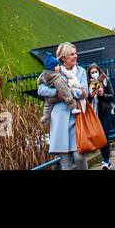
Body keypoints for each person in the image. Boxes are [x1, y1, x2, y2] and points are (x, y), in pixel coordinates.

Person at [40, 42, 90, 170]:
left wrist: (70, 92)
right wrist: (56, 92)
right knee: (65, 161)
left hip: (77, 116)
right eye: (72, 54)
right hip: (59, 118)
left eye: (75, 53)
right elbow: (40, 89)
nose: (76, 56)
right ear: (63, 58)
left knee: (79, 156)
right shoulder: (53, 69)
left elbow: (85, 92)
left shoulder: (81, 71)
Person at [87, 63, 115, 170]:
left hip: (105, 111)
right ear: (89, 75)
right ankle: (105, 159)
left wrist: (103, 95)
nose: (94, 74)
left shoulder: (105, 80)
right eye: (92, 73)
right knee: (99, 138)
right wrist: (91, 95)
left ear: (99, 71)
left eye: (96, 72)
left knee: (105, 137)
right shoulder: (88, 83)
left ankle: (106, 161)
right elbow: (86, 101)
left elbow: (112, 96)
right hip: (94, 114)